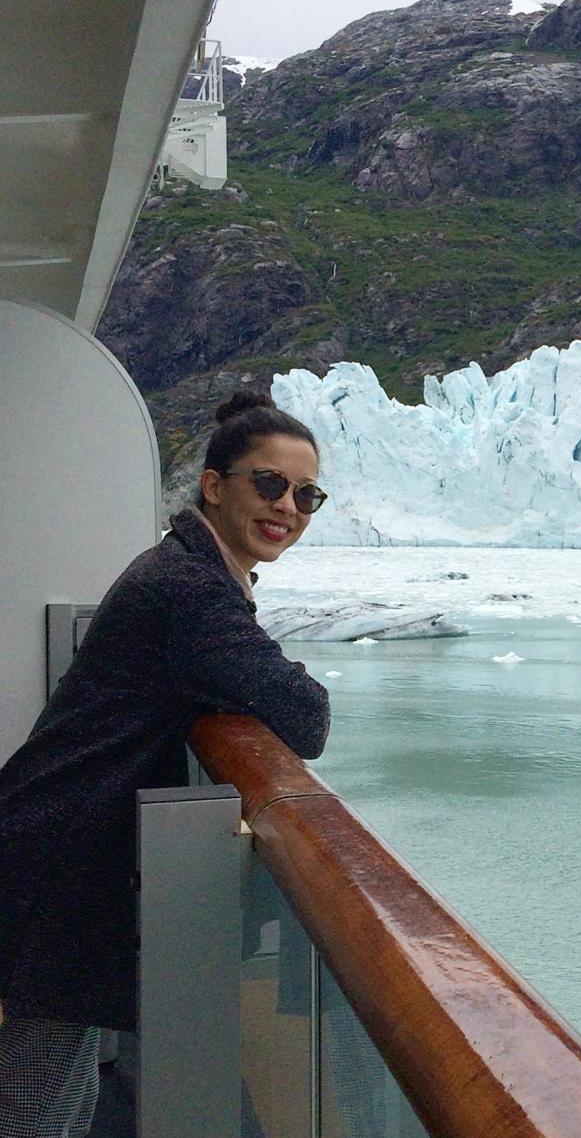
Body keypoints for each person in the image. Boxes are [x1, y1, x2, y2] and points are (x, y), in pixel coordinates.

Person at [0, 391, 332, 1137]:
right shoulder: (188, 590)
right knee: (33, 1100)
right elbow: (306, 719)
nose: (288, 507)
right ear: (214, 485)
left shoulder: (190, 569)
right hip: (59, 862)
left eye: (306, 493)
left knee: (61, 1086)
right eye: (268, 484)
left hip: (64, 848)